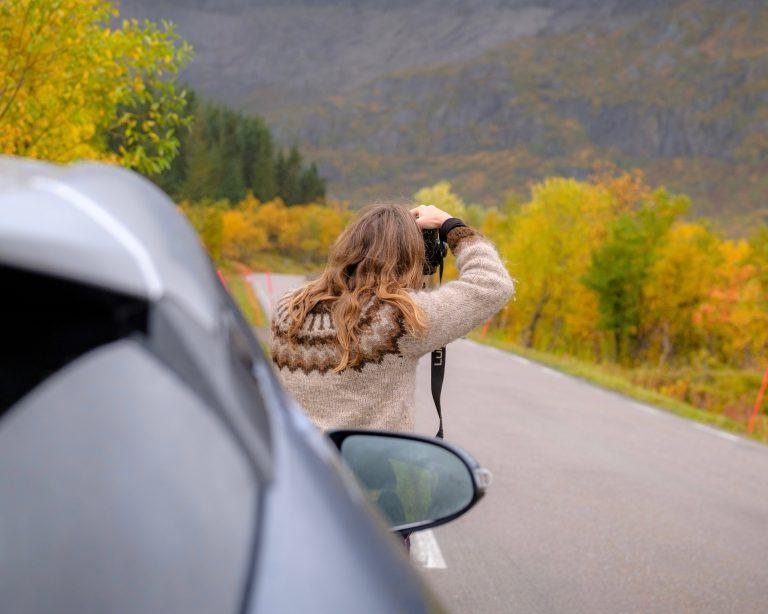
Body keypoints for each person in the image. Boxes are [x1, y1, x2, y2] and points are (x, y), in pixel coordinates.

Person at [270, 203, 514, 432]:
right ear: (410, 258)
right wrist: (451, 225)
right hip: (365, 470)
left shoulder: (290, 308)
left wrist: (395, 231)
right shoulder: (397, 319)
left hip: (295, 463)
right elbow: (492, 285)